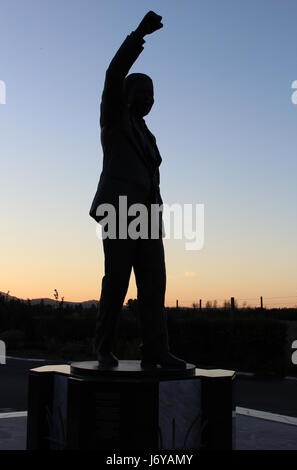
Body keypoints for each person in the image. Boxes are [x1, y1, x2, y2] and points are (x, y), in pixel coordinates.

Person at [89, 11, 186, 369]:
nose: (148, 98)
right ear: (126, 94)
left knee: (154, 284)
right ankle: (103, 345)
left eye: (153, 94)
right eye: (142, 91)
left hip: (147, 218)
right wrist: (139, 35)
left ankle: (155, 349)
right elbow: (112, 73)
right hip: (118, 212)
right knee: (116, 281)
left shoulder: (149, 136)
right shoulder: (114, 120)